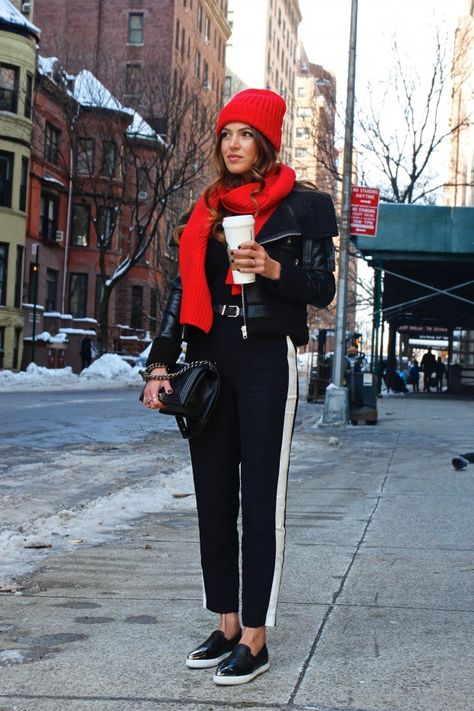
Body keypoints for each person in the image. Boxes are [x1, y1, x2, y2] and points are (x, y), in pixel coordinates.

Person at [141, 89, 337, 685]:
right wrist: (159, 364)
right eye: (226, 133)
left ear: (267, 142)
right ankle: (225, 622)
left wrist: (274, 270)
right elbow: (180, 294)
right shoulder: (202, 212)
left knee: (259, 499)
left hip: (265, 360)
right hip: (207, 362)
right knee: (213, 498)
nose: (232, 144)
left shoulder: (303, 208)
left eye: (245, 134)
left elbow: (323, 288)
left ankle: (256, 635)